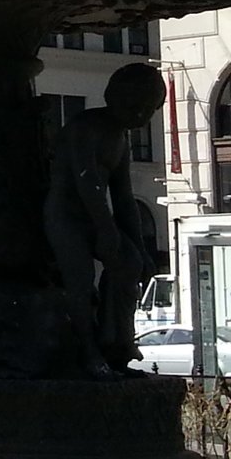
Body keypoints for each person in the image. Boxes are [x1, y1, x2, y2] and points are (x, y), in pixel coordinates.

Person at [45, 62, 167, 377]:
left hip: (95, 216)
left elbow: (124, 197)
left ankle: (117, 344)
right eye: (134, 106)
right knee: (80, 280)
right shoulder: (86, 126)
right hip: (66, 215)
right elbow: (87, 180)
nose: (140, 116)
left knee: (128, 263)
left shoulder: (121, 139)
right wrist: (105, 228)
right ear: (114, 97)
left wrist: (140, 248)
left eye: (149, 110)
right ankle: (87, 351)